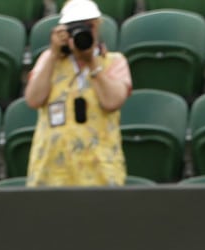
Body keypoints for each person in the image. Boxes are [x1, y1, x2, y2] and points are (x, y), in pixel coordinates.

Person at [24, 0, 131, 188]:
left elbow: (112, 101)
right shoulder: (49, 61)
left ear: (98, 26)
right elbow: (33, 99)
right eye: (75, 27)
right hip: (52, 168)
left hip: (99, 168)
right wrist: (53, 54)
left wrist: (92, 63)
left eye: (89, 25)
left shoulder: (114, 61)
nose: (84, 31)